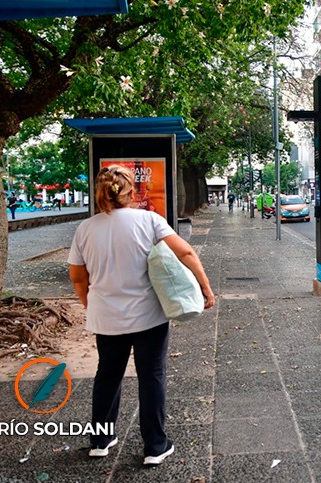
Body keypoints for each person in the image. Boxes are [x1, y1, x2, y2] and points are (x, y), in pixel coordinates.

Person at [67, 165, 215, 466]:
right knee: (152, 376)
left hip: (106, 318)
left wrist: (90, 304)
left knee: (107, 376)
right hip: (149, 316)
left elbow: (78, 277)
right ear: (131, 191)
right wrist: (205, 288)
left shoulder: (85, 229)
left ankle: (100, 440)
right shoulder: (149, 220)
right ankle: (155, 447)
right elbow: (186, 253)